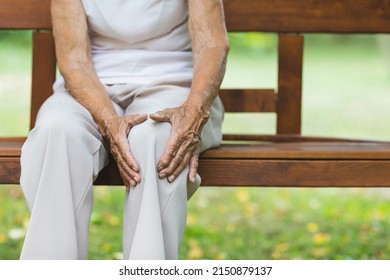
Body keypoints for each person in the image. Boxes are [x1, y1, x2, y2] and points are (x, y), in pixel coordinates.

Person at [19, 0, 229, 260]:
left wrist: (193, 111)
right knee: (56, 133)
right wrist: (108, 119)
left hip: (174, 85)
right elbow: (74, 59)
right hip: (87, 88)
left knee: (159, 139)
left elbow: (213, 44)